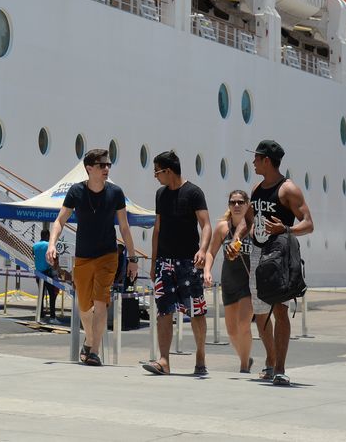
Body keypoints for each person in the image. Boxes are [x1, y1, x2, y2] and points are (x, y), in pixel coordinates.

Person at [46, 149, 139, 367]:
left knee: (100, 302)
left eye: (108, 165)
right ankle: (89, 340)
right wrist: (52, 244)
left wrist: (133, 259)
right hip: (83, 256)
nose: (107, 169)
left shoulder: (116, 193)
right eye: (102, 165)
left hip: (108, 255)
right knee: (84, 306)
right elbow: (59, 221)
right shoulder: (76, 192)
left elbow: (124, 227)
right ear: (89, 169)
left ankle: (94, 352)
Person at [242, 139, 314, 386]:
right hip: (257, 255)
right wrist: (244, 235)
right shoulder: (256, 189)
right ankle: (270, 362)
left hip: (280, 255)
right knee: (260, 311)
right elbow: (251, 220)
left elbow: (309, 223)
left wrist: (285, 229)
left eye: (256, 158)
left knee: (281, 309)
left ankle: (281, 369)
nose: (253, 162)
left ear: (267, 160)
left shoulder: (288, 189)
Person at [142, 151, 212, 377]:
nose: (155, 176)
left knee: (197, 312)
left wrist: (202, 249)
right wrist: (154, 263)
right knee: (164, 311)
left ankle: (200, 356)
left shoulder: (193, 193)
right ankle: (164, 360)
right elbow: (158, 229)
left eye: (157, 171)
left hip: (188, 263)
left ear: (168, 171)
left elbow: (206, 225)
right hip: (164, 262)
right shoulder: (161, 194)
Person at [205, 189, 253, 373]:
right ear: (229, 206)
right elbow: (211, 252)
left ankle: (243, 367)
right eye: (233, 202)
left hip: (248, 283)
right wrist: (207, 271)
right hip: (229, 281)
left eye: (241, 202)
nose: (237, 205)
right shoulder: (222, 228)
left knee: (243, 324)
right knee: (232, 331)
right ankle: (245, 358)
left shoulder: (253, 227)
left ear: (247, 204)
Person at [33, 227, 59, 323]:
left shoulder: (34, 245)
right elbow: (55, 258)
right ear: (48, 235)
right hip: (47, 273)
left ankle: (41, 315)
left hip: (38, 273)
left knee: (41, 295)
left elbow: (34, 256)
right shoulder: (49, 245)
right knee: (52, 295)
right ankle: (52, 317)